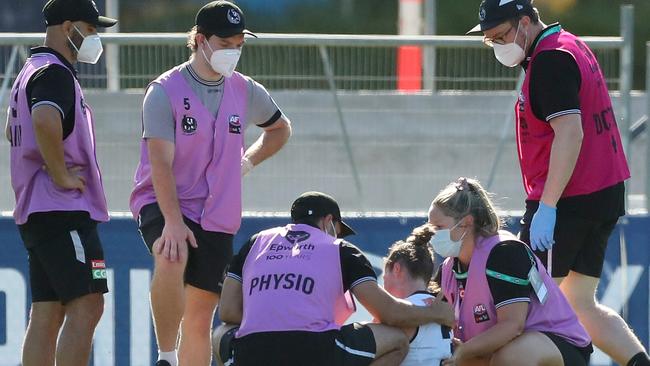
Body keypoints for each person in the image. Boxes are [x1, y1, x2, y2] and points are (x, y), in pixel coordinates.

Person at [468, 1, 650, 365]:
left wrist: (548, 206)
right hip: (602, 191)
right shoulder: (567, 42)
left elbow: (570, 132)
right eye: (491, 40)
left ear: (524, 21)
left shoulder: (550, 60)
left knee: (527, 311)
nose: (499, 46)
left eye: (502, 35)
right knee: (581, 305)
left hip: (568, 199)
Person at [128, 1, 292, 365]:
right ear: (200, 40)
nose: (233, 51)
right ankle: (166, 356)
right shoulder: (164, 90)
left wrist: (247, 162)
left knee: (201, 317)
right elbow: (160, 165)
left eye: (239, 44)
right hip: (164, 198)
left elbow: (280, 130)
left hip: (218, 210)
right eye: (225, 43)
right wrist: (171, 221)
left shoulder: (246, 90)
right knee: (171, 254)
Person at [214, 191, 455, 366]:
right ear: (329, 222)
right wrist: (438, 313)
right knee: (395, 340)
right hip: (315, 352)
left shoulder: (256, 242)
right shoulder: (340, 248)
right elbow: (389, 314)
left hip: (251, 354)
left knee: (219, 333)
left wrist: (275, 315)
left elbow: (227, 312)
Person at [4, 0, 116, 365]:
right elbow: (44, 119)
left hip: (39, 210)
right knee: (87, 304)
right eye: (92, 28)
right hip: (62, 209)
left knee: (47, 314)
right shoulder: (55, 72)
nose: (96, 37)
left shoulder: (31, 69)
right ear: (69, 27)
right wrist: (61, 172)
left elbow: (10, 130)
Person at [429, 178, 592, 366]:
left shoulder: (504, 253)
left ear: (466, 223)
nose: (432, 233)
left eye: (438, 227)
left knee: (510, 357)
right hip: (502, 351)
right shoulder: (448, 270)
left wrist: (463, 351)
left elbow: (513, 326)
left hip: (560, 348)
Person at [382, 225, 453, 365]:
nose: (383, 285)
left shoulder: (401, 315)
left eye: (384, 276)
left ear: (396, 269)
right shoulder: (443, 309)